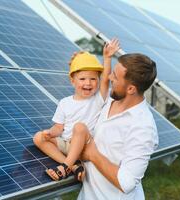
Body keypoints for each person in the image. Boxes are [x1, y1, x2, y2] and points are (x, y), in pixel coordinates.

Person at [33, 39, 120, 181]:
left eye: (93, 79)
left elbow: (105, 79)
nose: (88, 83)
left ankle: (65, 167)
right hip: (66, 144)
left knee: (79, 127)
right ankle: (73, 166)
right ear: (72, 81)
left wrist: (107, 57)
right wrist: (50, 133)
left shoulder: (98, 99)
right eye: (82, 79)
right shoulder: (64, 103)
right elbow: (58, 127)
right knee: (38, 137)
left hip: (84, 147)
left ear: (97, 82)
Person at [75, 53, 159, 199]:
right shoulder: (109, 100)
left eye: (115, 76)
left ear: (131, 89)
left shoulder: (143, 128)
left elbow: (127, 183)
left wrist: (92, 154)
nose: (109, 77)